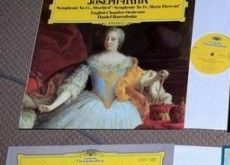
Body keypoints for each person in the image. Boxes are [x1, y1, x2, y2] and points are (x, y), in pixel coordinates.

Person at [36, 27, 167, 129]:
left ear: (119, 42)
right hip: (91, 105)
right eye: (106, 38)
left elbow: (140, 81)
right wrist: (52, 106)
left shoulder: (128, 62)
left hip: (121, 108)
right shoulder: (92, 60)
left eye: (113, 39)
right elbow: (74, 85)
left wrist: (157, 78)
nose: (108, 41)